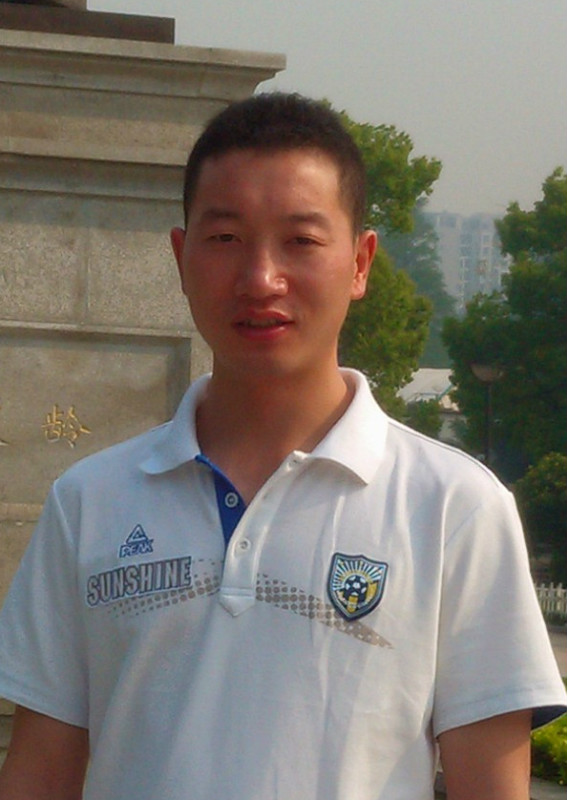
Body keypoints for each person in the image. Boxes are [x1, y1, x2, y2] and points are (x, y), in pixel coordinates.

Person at [0, 93, 565, 800]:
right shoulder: (89, 502)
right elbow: (39, 771)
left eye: (300, 240)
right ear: (180, 257)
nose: (260, 279)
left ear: (360, 263)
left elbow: (492, 786)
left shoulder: (454, 507)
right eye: (225, 238)